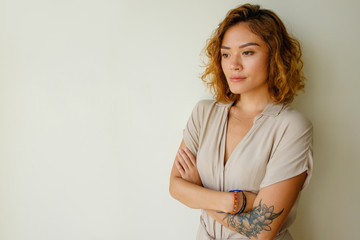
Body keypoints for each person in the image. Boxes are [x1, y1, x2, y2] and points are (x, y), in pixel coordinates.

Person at [169, 3, 313, 240]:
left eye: (247, 52)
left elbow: (261, 230)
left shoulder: (292, 127)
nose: (233, 64)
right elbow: (176, 187)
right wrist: (239, 201)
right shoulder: (204, 113)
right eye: (226, 54)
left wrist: (199, 193)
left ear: (274, 56)